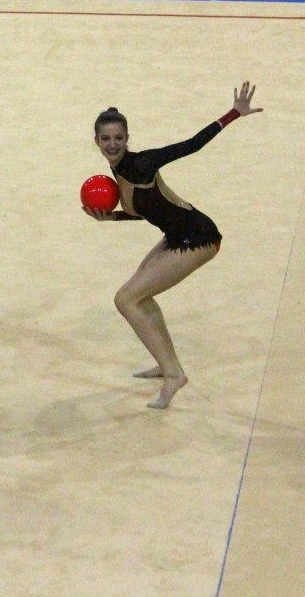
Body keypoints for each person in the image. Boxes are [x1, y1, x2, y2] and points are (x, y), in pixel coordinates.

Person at [84, 81, 263, 409]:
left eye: (119, 138)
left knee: (126, 299)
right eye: (106, 139)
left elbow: (192, 145)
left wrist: (233, 113)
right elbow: (143, 212)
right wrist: (111, 218)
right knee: (140, 294)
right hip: (176, 236)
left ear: (127, 138)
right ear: (96, 141)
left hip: (199, 237)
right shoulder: (118, 173)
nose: (113, 144)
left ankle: (174, 375)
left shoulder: (142, 164)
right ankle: (165, 362)